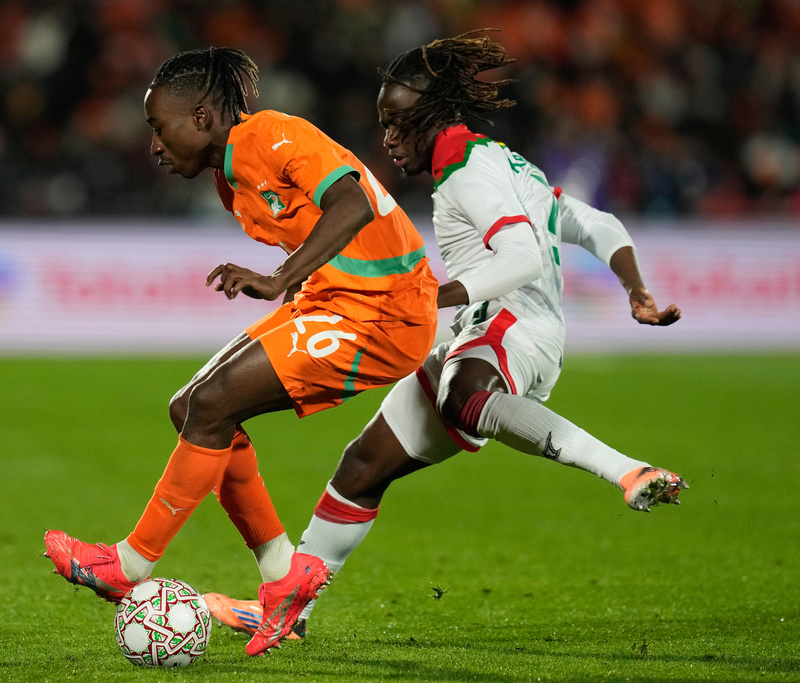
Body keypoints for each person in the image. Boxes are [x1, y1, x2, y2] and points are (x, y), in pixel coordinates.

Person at [202, 32, 687, 640]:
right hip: (492, 330)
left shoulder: (465, 173)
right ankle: (288, 615)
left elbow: (521, 259)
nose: (388, 137)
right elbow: (591, 221)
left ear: (433, 118)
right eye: (383, 123)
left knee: (462, 392)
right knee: (362, 467)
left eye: (397, 123)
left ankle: (626, 470)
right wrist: (635, 287)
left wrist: (432, 295)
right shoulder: (500, 159)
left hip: (510, 328)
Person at [42, 46, 439, 657]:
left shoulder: (270, 135)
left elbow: (355, 203)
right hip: (334, 298)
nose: (152, 143)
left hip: (385, 309)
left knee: (215, 402)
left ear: (201, 118)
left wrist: (279, 278)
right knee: (193, 408)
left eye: (157, 126)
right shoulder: (231, 176)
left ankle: (129, 563)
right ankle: (284, 573)